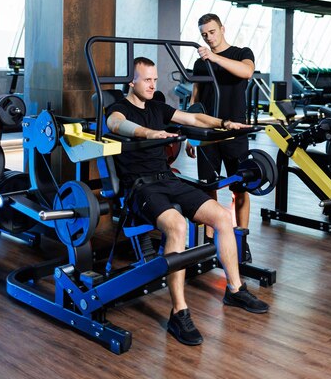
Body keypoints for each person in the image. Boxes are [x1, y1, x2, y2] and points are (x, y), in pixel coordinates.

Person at [106, 56, 268, 347]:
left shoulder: (157, 106)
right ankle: (179, 312)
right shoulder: (118, 108)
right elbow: (117, 125)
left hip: (166, 179)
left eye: (155, 79)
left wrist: (225, 123)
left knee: (221, 216)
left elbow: (193, 118)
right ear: (131, 81)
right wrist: (149, 133)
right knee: (178, 226)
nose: (153, 84)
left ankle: (235, 288)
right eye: (146, 79)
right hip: (139, 188)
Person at [186, 13, 254, 260]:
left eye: (212, 32)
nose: (209, 38)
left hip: (235, 132)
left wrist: (214, 57)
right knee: (208, 188)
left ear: (222, 29)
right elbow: (195, 99)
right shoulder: (200, 63)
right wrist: (190, 136)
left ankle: (241, 239)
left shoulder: (241, 52)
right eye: (204, 34)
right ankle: (211, 240)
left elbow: (246, 72)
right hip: (206, 134)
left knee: (240, 188)